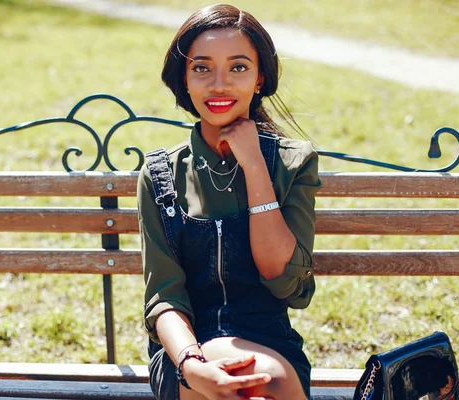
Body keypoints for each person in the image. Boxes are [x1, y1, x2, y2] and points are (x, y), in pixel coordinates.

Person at [137, 4, 321, 399]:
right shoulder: (159, 175)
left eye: (238, 67)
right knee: (244, 387)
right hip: (182, 349)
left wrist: (254, 165)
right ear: (184, 79)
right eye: (202, 68)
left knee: (258, 382)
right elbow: (164, 298)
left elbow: (284, 277)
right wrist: (192, 366)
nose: (219, 84)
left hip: (271, 340)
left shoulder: (292, 163)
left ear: (259, 79)